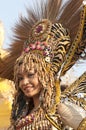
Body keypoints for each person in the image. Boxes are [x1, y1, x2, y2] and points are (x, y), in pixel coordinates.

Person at [0, 0, 86, 130]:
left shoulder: (60, 109)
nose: (25, 82)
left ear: (44, 76)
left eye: (30, 75)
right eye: (20, 78)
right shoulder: (18, 118)